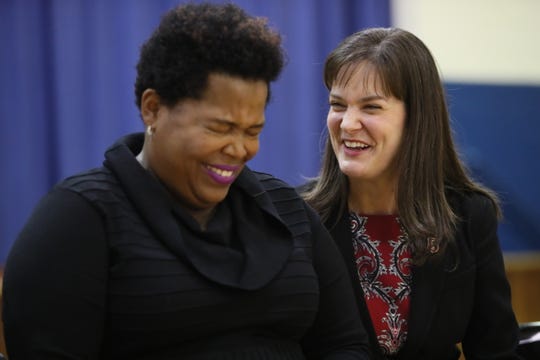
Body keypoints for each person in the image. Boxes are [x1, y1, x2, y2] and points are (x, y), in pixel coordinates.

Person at [2, 3, 370, 359]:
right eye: (219, 128)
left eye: (252, 130)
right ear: (153, 108)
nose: (240, 149)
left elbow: (345, 343)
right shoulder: (80, 218)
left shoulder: (288, 210)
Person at [300, 27, 521, 359]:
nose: (347, 124)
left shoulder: (469, 216)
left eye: (370, 108)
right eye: (338, 105)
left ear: (416, 119)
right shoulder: (298, 217)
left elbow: (496, 351)